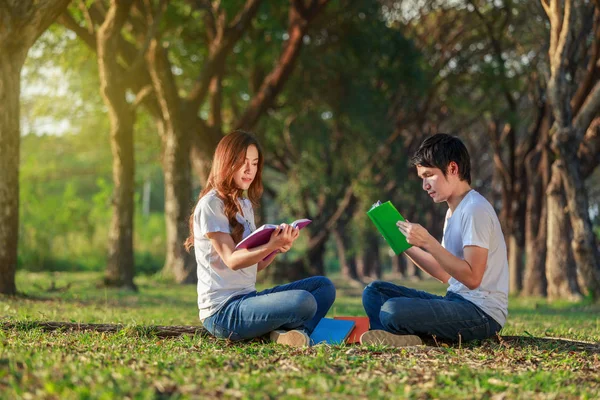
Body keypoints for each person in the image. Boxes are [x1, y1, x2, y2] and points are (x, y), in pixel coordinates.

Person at [184, 130, 335, 348]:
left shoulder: (244, 205)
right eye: (242, 162)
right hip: (223, 313)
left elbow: (257, 265)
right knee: (304, 302)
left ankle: (292, 335)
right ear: (226, 162)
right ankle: (291, 331)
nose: (249, 170)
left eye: (254, 163)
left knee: (323, 286)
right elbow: (233, 261)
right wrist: (271, 245)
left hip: (248, 300)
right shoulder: (211, 204)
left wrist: (277, 247)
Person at [361, 133, 508, 346]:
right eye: (422, 178)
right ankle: (402, 336)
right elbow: (445, 273)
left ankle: (397, 333)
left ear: (453, 169)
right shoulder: (452, 213)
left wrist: (428, 241)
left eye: (429, 175)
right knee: (374, 292)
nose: (425, 186)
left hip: (481, 312)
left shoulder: (475, 210)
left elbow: (473, 278)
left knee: (392, 311)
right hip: (456, 301)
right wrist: (404, 244)